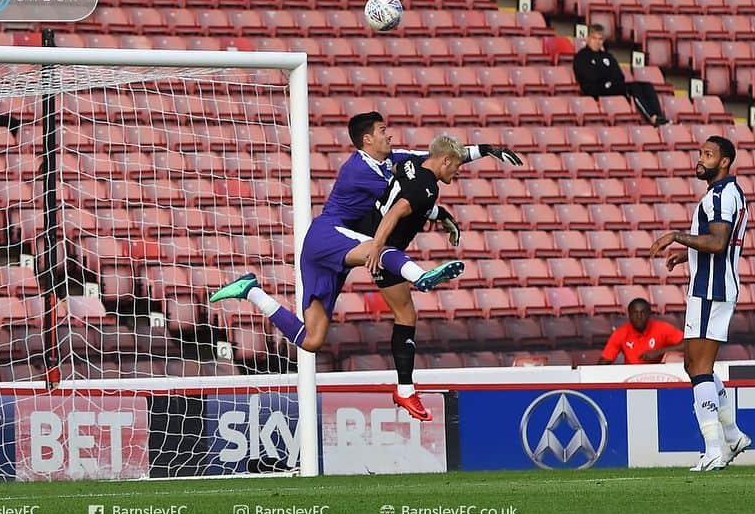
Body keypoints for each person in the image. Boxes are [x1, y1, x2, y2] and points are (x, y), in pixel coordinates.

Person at [209, 113, 521, 367]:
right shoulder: (357, 170)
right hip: (327, 236)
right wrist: (439, 213)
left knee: (312, 340)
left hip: (329, 251)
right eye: (384, 130)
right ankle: (421, 277)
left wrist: (484, 150)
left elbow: (437, 158)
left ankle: (250, 291)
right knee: (381, 248)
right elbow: (410, 190)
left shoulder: (391, 161)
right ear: (367, 139)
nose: (391, 136)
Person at [649, 135, 751, 472]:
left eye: (708, 154)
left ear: (724, 162)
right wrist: (688, 253)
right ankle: (733, 436)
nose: (700, 159)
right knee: (693, 366)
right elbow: (713, 242)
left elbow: (719, 242)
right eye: (700, 153)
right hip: (708, 287)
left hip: (712, 290)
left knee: (701, 368)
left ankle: (714, 449)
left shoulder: (721, 196)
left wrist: (676, 236)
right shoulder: (724, 194)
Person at [353, 135, 468, 420]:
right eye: (456, 165)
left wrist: (442, 216)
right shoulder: (427, 186)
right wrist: (377, 247)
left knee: (405, 314)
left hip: (365, 229)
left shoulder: (410, 164)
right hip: (377, 244)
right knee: (405, 310)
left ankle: (405, 389)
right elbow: (397, 211)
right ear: (444, 160)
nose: (458, 170)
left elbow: (407, 199)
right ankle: (420, 276)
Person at [572, 24, 667, 127]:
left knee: (646, 86)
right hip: (595, 90)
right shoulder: (581, 57)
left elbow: (619, 75)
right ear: (588, 38)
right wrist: (607, 78)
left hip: (612, 87)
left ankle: (658, 116)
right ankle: (652, 117)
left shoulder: (607, 56)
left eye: (600, 39)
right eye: (594, 38)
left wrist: (607, 78)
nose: (597, 42)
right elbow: (591, 76)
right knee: (634, 89)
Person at [598, 298, 685, 365]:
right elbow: (605, 360)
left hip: (659, 376)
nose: (639, 316)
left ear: (649, 314)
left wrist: (658, 352)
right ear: (629, 315)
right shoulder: (620, 333)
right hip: (632, 378)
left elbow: (688, 343)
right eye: (635, 313)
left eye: (642, 312)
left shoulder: (663, 328)